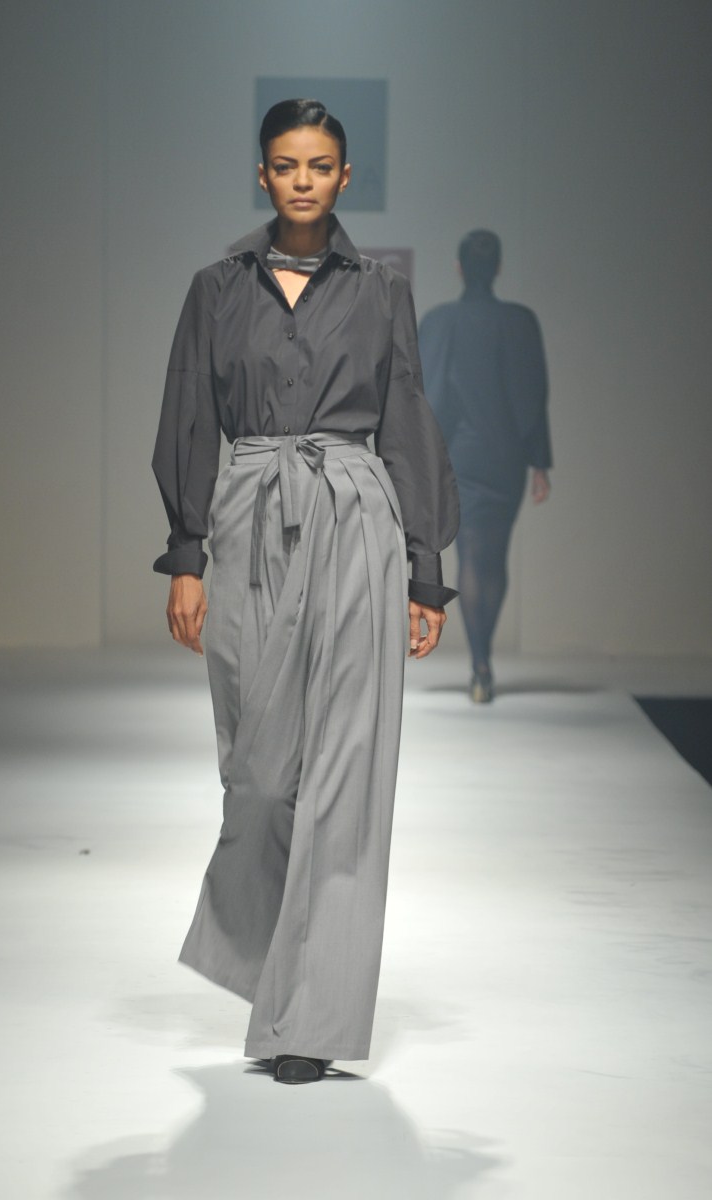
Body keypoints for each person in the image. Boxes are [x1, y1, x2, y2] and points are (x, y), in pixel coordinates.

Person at [152, 99, 459, 1084]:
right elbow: (187, 415)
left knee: (344, 771)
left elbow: (406, 418)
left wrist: (423, 569)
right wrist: (187, 555)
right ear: (262, 174)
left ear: (343, 177)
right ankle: (259, 957)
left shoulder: (379, 290)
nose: (301, 181)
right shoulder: (216, 287)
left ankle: (308, 1020)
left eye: (318, 166)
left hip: (356, 512)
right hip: (248, 511)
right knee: (257, 770)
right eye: (285, 165)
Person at [418, 230, 552, 703]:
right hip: (505, 458)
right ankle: (483, 658)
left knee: (472, 555)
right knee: (493, 555)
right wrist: (539, 462)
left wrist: (420, 459)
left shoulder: (438, 322)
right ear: (497, 268)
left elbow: (423, 397)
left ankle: (479, 665)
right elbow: (534, 396)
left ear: (458, 268)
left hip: (460, 456)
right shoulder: (520, 322)